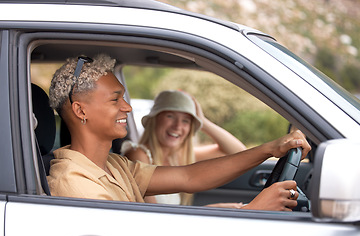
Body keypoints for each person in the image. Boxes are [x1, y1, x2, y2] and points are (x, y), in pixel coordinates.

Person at [47, 54, 311, 211]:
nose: (127, 107)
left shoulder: (115, 166)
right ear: (81, 111)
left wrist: (270, 148)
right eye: (116, 100)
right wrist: (253, 211)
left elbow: (188, 176)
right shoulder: (75, 183)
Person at [122, 90, 247, 207]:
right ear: (154, 119)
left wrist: (203, 122)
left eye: (186, 121)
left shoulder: (180, 157)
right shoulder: (137, 154)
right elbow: (154, 214)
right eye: (170, 116)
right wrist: (213, 209)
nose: (177, 126)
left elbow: (241, 154)